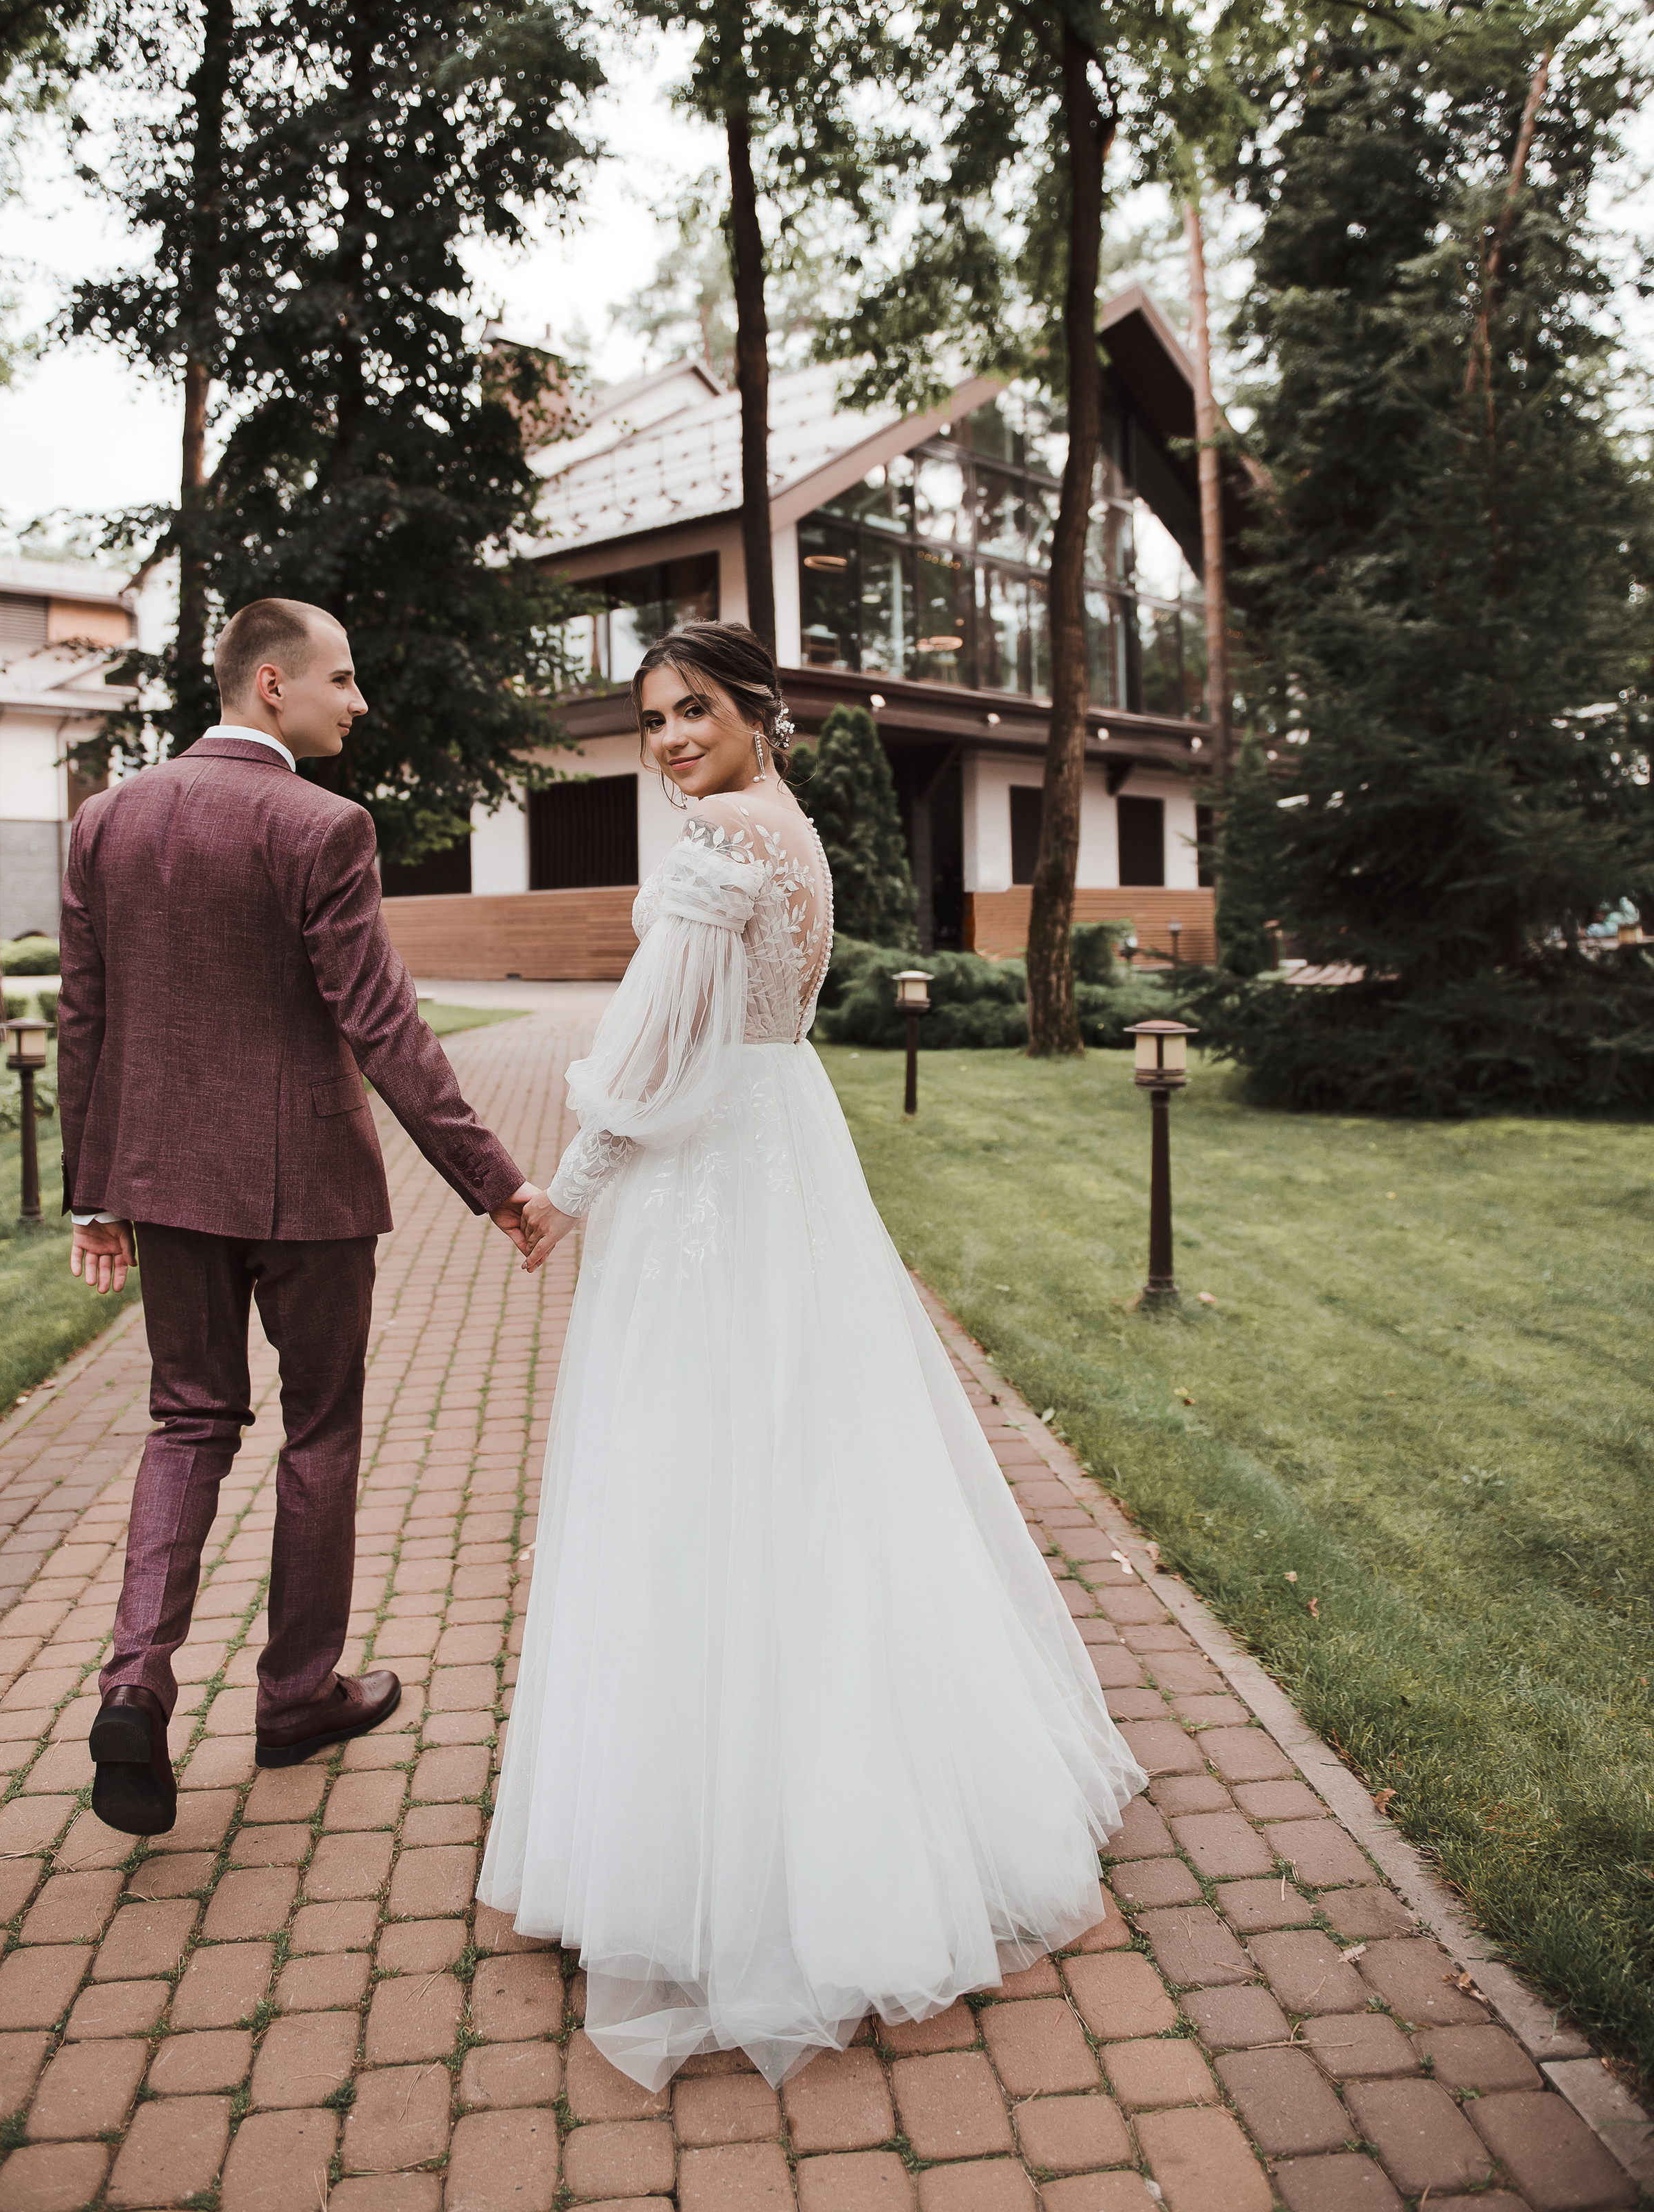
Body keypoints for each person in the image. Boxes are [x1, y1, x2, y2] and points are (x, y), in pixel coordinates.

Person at [485, 622, 1144, 2091]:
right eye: (654, 719)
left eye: (694, 709)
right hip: (784, 1153)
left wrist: (564, 1194)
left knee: (693, 1481)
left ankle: (719, 1864)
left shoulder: (724, 835)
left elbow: (658, 1051)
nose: (670, 738)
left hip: (710, 1188)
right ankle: (872, 1807)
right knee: (816, 1475)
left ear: (756, 709)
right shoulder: (789, 822)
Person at [59, 598, 544, 1836]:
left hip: (164, 1182)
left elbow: (85, 1018)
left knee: (188, 1418)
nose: (358, 700)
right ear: (271, 684)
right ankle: (294, 1697)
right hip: (309, 1188)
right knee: (320, 1429)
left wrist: (95, 1194)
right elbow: (383, 1024)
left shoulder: (106, 819)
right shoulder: (323, 825)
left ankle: (134, 1685)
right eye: (342, 677)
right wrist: (495, 1180)